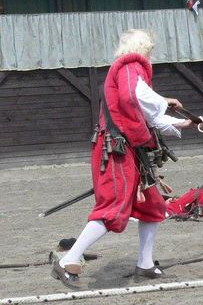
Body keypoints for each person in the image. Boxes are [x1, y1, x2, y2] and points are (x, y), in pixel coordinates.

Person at [51, 29, 193, 289]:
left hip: (128, 150)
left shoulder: (128, 70)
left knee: (152, 206)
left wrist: (185, 122)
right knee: (113, 208)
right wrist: (163, 101)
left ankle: (145, 264)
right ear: (143, 49)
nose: (151, 56)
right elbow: (134, 98)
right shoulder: (131, 66)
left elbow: (144, 112)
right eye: (150, 50)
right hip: (116, 150)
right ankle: (68, 259)